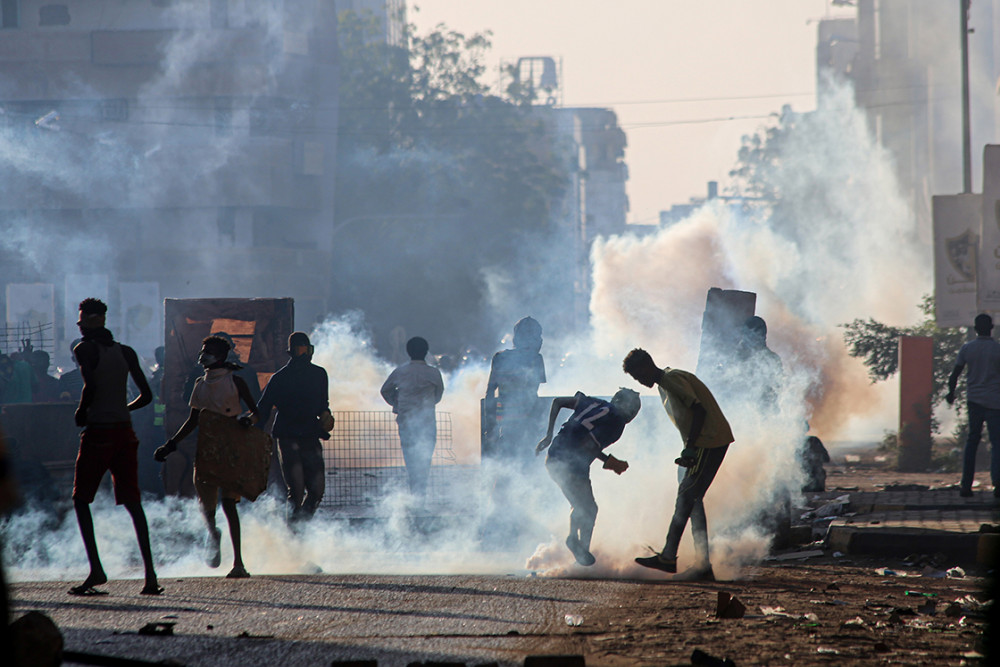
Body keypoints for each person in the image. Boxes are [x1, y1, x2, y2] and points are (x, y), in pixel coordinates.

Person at [69, 298, 162, 596]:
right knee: (133, 503)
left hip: (98, 433)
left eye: (82, 321)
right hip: (125, 432)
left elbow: (91, 385)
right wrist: (122, 409)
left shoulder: (83, 349)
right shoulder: (126, 351)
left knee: (82, 500)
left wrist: (83, 411)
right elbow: (146, 396)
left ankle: (96, 570)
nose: (81, 327)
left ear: (89, 322)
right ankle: (150, 576)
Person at [622, 348, 734, 580]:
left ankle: (669, 557)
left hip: (708, 442)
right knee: (693, 501)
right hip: (707, 442)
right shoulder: (667, 381)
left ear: (646, 367)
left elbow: (698, 410)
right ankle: (702, 565)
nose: (639, 382)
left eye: (637, 376)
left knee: (686, 497)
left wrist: (691, 447)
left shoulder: (671, 379)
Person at [154, 335, 259, 578]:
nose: (203, 356)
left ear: (221, 356)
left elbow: (256, 412)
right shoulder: (200, 385)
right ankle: (213, 533)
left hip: (231, 447)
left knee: (229, 503)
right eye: (203, 351)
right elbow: (193, 420)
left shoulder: (237, 382)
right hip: (206, 448)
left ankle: (238, 563)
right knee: (207, 506)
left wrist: (247, 420)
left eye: (208, 351)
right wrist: (171, 445)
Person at [535, 388, 641, 566]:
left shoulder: (594, 402)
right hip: (573, 465)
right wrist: (609, 461)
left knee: (579, 505)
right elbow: (587, 445)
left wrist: (549, 435)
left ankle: (577, 548)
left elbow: (558, 401)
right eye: (634, 409)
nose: (633, 415)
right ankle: (579, 547)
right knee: (589, 508)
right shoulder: (617, 422)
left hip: (553, 457)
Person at [256, 331, 334, 522]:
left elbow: (323, 404)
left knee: (316, 491)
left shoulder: (319, 374)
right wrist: (252, 426)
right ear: (293, 352)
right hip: (288, 436)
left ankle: (299, 525)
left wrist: (325, 415)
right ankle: (294, 533)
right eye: (301, 349)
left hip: (310, 435)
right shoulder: (280, 378)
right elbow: (263, 409)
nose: (304, 353)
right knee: (296, 491)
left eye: (306, 349)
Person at [380, 336, 444, 499]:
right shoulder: (433, 373)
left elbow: (385, 390)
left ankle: (415, 495)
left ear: (408, 352)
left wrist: (397, 402)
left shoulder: (400, 371)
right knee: (424, 460)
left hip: (406, 422)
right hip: (427, 422)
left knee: (410, 460)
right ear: (426, 351)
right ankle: (419, 495)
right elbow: (438, 396)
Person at [946, 313, 1000, 498]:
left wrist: (950, 393)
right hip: (995, 402)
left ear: (975, 329)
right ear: (991, 328)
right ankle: (998, 485)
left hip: (974, 400)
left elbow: (955, 375)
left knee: (972, 442)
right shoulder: (997, 349)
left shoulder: (967, 348)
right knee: (997, 444)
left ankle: (966, 486)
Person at [484, 316, 547, 464]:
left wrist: (489, 423)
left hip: (505, 418)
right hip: (530, 418)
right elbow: (533, 390)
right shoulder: (536, 359)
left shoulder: (500, 357)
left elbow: (490, 392)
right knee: (529, 460)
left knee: (507, 460)